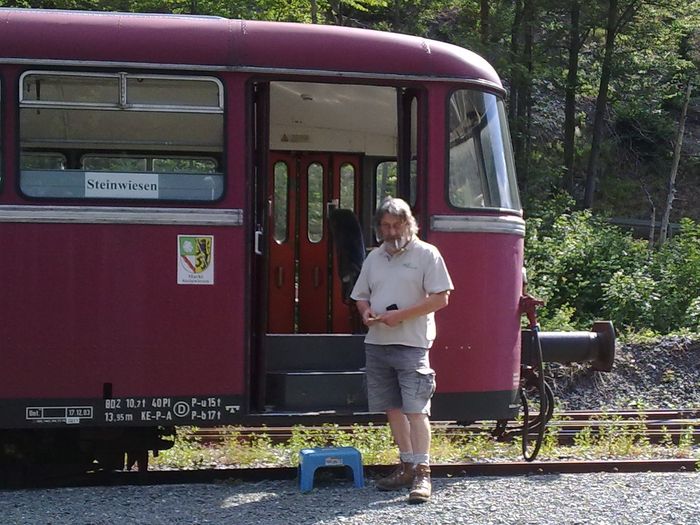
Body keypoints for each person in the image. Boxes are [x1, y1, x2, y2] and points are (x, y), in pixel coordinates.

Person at [351, 197, 453, 504]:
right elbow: (360, 295)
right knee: (392, 408)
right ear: (379, 227)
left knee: (416, 409)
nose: (391, 231)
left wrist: (401, 315)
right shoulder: (375, 257)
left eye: (397, 225)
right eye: (385, 225)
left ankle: (423, 472)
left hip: (413, 343)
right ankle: (406, 465)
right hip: (377, 343)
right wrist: (366, 312)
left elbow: (441, 298)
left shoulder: (427, 254)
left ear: (409, 224)